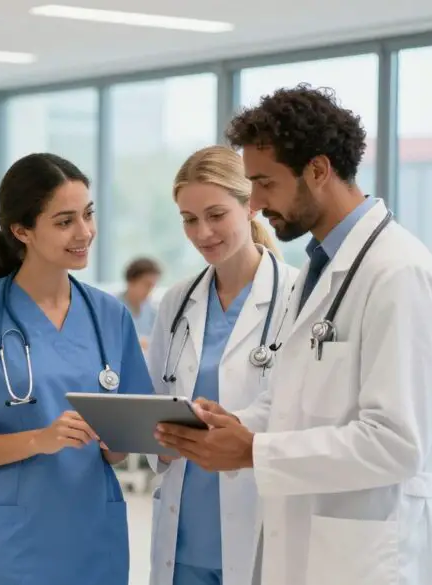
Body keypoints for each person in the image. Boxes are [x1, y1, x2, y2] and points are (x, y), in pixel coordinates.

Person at [154, 85, 432, 585]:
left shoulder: (399, 273)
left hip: (373, 553)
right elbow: (290, 402)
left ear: (318, 170)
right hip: (311, 542)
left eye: (265, 183)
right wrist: (232, 423)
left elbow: (398, 443)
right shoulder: (322, 268)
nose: (254, 201)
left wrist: (253, 450)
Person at [0, 152, 154, 585]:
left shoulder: (110, 316)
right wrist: (39, 440)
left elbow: (121, 447)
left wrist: (122, 440)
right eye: (65, 221)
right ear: (22, 230)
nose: (84, 233)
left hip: (92, 535)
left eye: (88, 214)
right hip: (9, 542)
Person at [146, 146, 298, 585]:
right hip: (184, 529)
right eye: (189, 219)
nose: (203, 232)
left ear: (250, 205)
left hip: (260, 520)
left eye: (216, 214)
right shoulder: (176, 302)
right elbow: (158, 399)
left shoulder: (299, 295)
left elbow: (301, 412)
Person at [119, 257, 161, 337]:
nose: (150, 290)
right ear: (131, 281)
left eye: (153, 286)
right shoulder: (112, 307)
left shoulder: (153, 312)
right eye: (146, 285)